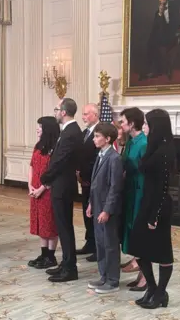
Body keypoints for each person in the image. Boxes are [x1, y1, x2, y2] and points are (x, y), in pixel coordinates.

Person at [128, 108, 175, 309]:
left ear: (156, 126)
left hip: (159, 207)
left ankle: (160, 292)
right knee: (137, 247)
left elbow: (163, 187)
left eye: (147, 124)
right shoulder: (153, 146)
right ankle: (153, 288)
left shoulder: (166, 151)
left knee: (163, 252)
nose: (144, 127)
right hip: (148, 202)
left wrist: (154, 216)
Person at [40, 98, 82, 282]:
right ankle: (65, 263)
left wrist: (45, 178)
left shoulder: (71, 132)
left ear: (63, 112)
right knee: (63, 226)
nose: (55, 112)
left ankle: (70, 268)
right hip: (61, 184)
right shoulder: (68, 131)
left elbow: (60, 160)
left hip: (63, 185)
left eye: (57, 109)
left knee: (65, 227)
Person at [85, 123, 124, 294]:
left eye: (97, 136)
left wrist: (107, 210)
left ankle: (113, 280)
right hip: (97, 205)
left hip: (107, 209)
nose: (94, 139)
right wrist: (91, 204)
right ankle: (104, 276)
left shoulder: (114, 158)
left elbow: (115, 188)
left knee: (110, 244)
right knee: (100, 244)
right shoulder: (100, 155)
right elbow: (95, 184)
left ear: (107, 139)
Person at [118, 107, 148, 291]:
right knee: (130, 228)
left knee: (140, 233)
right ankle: (140, 274)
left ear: (132, 123)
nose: (120, 124)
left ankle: (145, 277)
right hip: (129, 190)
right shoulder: (130, 141)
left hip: (140, 191)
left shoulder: (143, 143)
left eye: (123, 121)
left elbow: (143, 169)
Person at [28, 116, 60, 269]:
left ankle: (51, 256)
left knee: (50, 224)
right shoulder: (38, 146)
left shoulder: (55, 148)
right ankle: (43, 253)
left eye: (40, 126)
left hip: (47, 192)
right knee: (40, 223)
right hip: (35, 191)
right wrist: (30, 186)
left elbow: (55, 173)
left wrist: (42, 188)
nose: (37, 129)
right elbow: (32, 166)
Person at [76, 103, 99, 262]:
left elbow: (98, 159)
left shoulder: (100, 132)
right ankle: (89, 242)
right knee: (86, 212)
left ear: (95, 114)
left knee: (95, 214)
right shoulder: (85, 133)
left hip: (94, 181)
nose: (83, 117)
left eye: (86, 114)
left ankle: (98, 247)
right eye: (83, 114)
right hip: (84, 180)